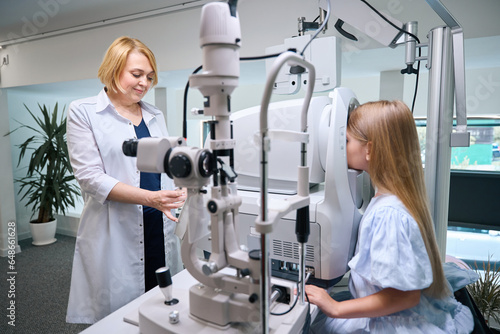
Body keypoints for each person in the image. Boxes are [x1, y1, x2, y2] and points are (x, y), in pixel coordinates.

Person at [305, 100, 474, 333]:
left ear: (370, 150)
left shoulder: (388, 215)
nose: (340, 148)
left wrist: (333, 307)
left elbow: (404, 297)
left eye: (346, 141)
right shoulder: (395, 199)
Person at [65, 36, 186, 324]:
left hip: (159, 221)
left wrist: (179, 182)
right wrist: (150, 199)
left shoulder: (154, 115)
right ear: (113, 68)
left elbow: (164, 166)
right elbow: (90, 177)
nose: (144, 83)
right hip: (117, 228)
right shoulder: (84, 111)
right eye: (136, 74)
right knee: (121, 315)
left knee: (161, 301)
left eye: (149, 76)